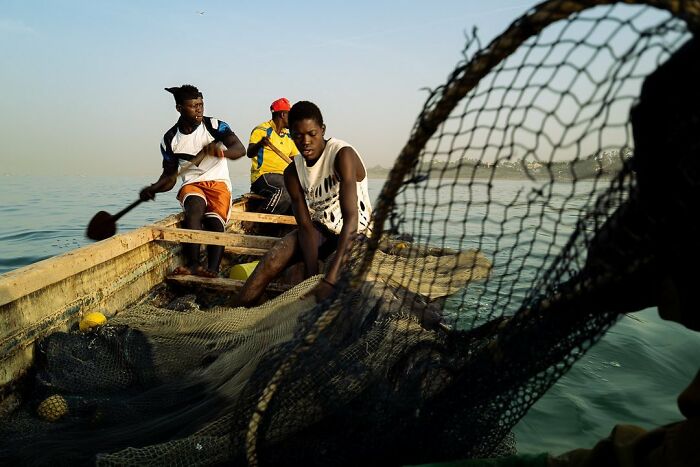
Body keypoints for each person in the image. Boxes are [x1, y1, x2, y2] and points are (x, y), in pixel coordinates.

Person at [235, 100, 373, 306]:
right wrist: (311, 276)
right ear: (291, 135)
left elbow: (351, 218)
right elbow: (306, 226)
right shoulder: (293, 171)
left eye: (312, 134)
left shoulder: (342, 155)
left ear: (322, 130)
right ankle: (235, 311)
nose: (305, 141)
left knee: (342, 278)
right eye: (298, 136)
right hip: (320, 229)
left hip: (356, 232)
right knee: (273, 258)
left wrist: (329, 279)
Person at [139, 84, 246, 277]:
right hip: (192, 184)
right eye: (193, 105)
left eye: (201, 104)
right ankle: (194, 264)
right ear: (179, 108)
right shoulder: (170, 138)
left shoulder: (214, 125)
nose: (199, 109)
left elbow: (240, 149)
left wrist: (221, 152)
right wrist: (154, 188)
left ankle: (213, 269)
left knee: (214, 223)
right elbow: (170, 178)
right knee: (194, 209)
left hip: (218, 182)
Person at [246, 97, 299, 214]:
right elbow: (249, 153)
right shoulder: (261, 130)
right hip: (262, 177)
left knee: (300, 192)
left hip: (283, 177)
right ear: (283, 115)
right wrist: (260, 143)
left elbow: (296, 160)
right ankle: (258, 221)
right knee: (285, 189)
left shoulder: (289, 136)